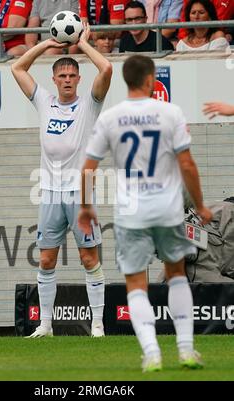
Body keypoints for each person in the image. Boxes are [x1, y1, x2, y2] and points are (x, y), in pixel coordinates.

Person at [78, 54, 213, 372]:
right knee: (177, 275)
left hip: (131, 213)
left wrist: (85, 207)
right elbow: (187, 164)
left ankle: (152, 353)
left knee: (136, 285)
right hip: (167, 209)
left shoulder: (110, 118)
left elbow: (87, 169)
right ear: (151, 79)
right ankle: (185, 350)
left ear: (126, 80)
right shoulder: (170, 112)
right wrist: (201, 204)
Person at [11, 24, 112, 338]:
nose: (67, 80)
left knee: (88, 257)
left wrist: (82, 44)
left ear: (78, 80)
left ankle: (97, 324)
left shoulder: (89, 105)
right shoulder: (44, 101)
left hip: (80, 194)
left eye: (72, 76)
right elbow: (17, 67)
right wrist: (47, 43)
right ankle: (45, 326)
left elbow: (107, 67)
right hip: (50, 192)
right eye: (62, 76)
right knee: (46, 258)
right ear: (53, 80)